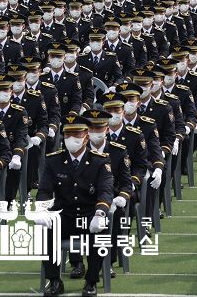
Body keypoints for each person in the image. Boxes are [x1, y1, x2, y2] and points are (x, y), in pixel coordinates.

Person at [34, 111, 113, 297]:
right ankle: (54, 280)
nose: (71, 139)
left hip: (89, 215)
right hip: (64, 216)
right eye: (68, 134)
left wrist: (100, 213)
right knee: (44, 229)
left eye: (76, 134)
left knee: (100, 231)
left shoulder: (100, 161)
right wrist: (42, 209)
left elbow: (106, 190)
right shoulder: (54, 161)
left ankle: (91, 281)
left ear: (86, 137)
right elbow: (44, 190)